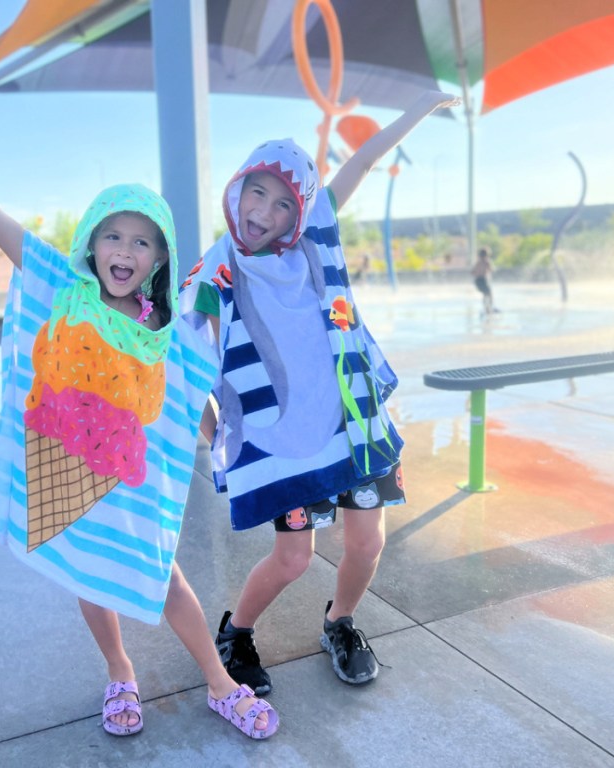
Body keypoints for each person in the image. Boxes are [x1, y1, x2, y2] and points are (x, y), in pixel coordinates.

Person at [0, 101, 277, 740]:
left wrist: (223, 442)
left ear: (159, 258)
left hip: (132, 491)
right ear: (91, 242)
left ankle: (220, 682)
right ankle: (119, 672)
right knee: (89, 575)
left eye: (141, 241)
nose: (125, 250)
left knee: (168, 582)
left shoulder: (166, 328)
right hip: (70, 481)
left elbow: (191, 397)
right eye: (113, 235)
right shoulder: (59, 286)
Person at [179, 89, 460, 695]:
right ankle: (238, 630)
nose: (266, 211)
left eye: (284, 203)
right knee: (293, 559)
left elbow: (359, 164)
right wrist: (222, 438)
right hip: (287, 439)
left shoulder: (315, 240)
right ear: (237, 189)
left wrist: (414, 111)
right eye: (257, 191)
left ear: (298, 213)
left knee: (367, 541)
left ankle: (340, 622)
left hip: (351, 425)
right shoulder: (214, 271)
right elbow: (184, 367)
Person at [471, 246, 496, 315]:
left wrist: (478, 272)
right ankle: (489, 308)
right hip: (483, 279)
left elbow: (472, 272)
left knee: (485, 294)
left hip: (477, 280)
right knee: (489, 294)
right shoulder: (487, 261)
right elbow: (492, 269)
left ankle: (486, 308)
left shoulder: (477, 262)